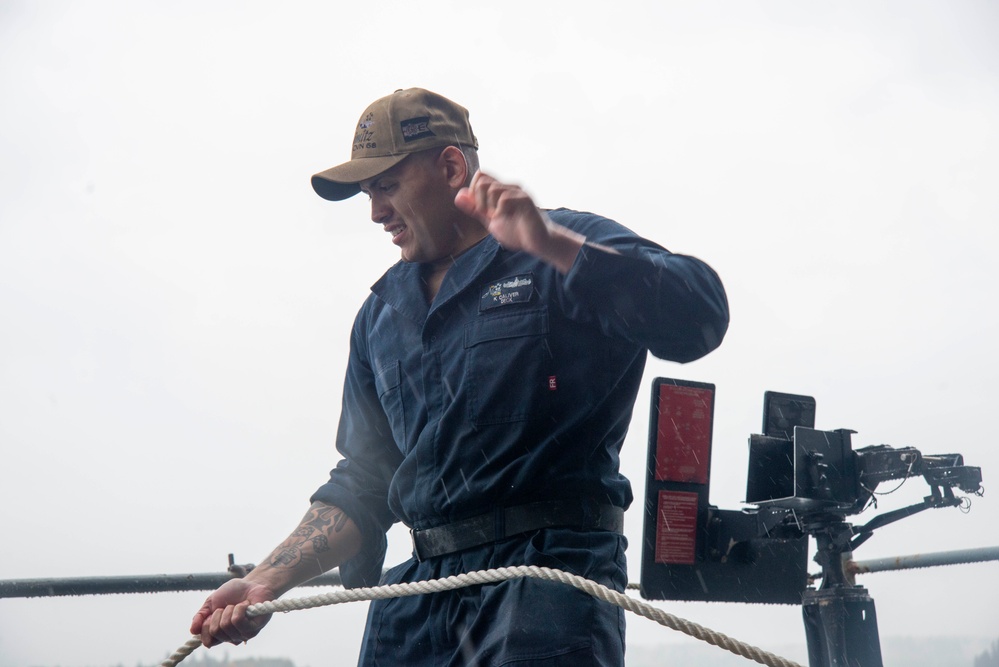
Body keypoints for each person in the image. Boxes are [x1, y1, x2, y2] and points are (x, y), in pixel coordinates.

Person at [190, 88, 729, 666]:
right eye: (368, 193)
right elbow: (368, 479)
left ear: (450, 167)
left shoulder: (559, 245)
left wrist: (554, 247)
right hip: (417, 600)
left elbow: (700, 316)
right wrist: (267, 581)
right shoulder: (379, 317)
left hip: (547, 583)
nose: (375, 212)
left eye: (387, 186)